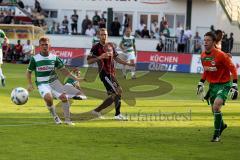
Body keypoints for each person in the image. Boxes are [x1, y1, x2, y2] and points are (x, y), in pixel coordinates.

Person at [26, 37, 82, 125]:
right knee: (48, 98)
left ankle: (68, 120)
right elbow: (28, 72)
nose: (45, 46)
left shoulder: (54, 58)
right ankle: (55, 116)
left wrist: (75, 78)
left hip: (54, 82)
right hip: (42, 84)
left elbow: (63, 70)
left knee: (64, 97)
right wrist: (29, 84)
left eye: (46, 44)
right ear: (39, 46)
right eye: (42, 45)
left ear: (50, 45)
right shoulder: (35, 58)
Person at [196, 32, 238, 142]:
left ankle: (216, 135)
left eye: (208, 40)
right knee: (214, 111)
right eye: (204, 40)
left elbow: (233, 68)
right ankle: (222, 125)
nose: (205, 42)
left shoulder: (221, 55)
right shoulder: (203, 56)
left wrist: (234, 84)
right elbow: (206, 70)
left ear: (214, 42)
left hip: (224, 85)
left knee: (216, 107)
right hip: (213, 86)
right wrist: (201, 82)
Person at [87, 28, 134, 120]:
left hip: (111, 73)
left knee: (113, 95)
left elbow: (116, 58)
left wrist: (127, 63)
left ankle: (96, 111)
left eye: (105, 34)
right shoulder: (96, 47)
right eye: (102, 34)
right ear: (99, 36)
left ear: (107, 35)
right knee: (118, 90)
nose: (104, 36)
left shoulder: (111, 46)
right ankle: (117, 114)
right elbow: (89, 61)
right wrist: (100, 57)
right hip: (104, 73)